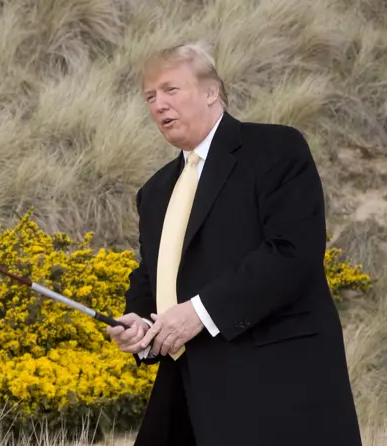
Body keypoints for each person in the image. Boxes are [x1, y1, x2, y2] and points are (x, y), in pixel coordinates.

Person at [107, 43, 362, 446]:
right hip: (187, 394)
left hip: (276, 389)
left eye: (171, 90)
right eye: (150, 97)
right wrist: (139, 322)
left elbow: (293, 253)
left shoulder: (277, 149)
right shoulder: (154, 192)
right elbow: (152, 272)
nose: (159, 105)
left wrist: (199, 313)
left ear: (212, 92)